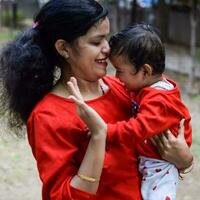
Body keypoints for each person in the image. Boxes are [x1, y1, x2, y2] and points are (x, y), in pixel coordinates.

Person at [0, 1, 193, 199]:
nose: (107, 49)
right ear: (64, 48)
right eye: (96, 42)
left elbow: (158, 142)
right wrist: (98, 137)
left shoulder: (124, 88)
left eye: (106, 39)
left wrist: (184, 160)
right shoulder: (48, 116)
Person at [67, 23, 193, 200]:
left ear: (145, 71)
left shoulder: (160, 100)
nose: (117, 77)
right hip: (151, 162)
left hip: (160, 167)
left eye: (120, 71)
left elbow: (138, 128)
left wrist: (105, 131)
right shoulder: (145, 88)